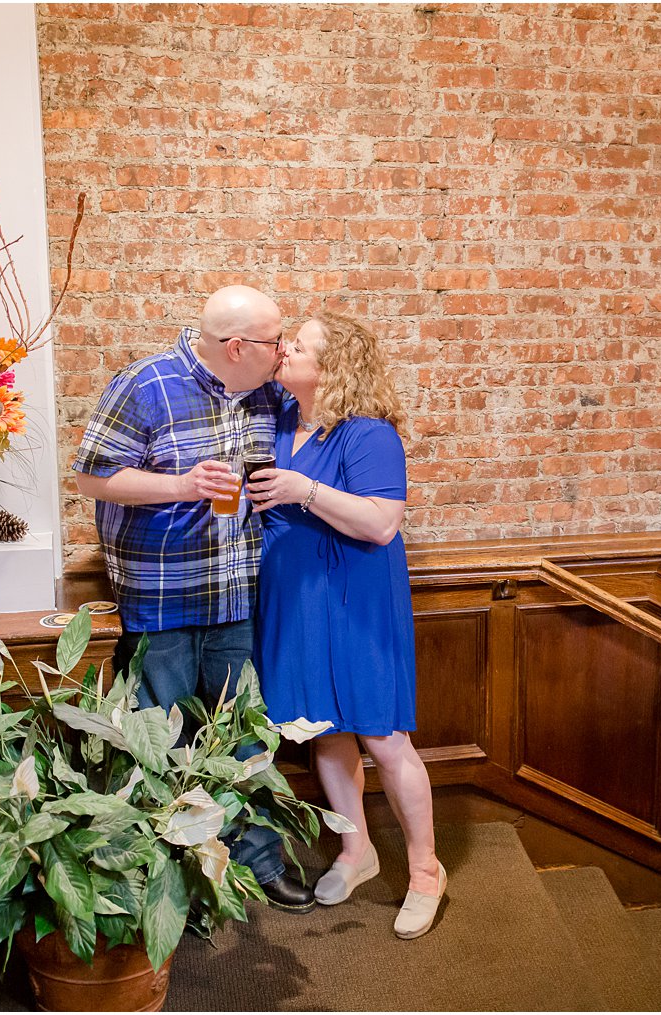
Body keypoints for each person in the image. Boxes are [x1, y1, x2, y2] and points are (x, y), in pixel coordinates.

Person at [70, 284, 316, 913]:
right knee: (165, 739)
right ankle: (170, 877)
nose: (283, 349)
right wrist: (180, 484)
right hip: (161, 596)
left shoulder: (267, 394)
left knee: (246, 738)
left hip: (237, 592)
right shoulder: (146, 384)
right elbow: (92, 475)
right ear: (237, 347)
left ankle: (260, 862)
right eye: (273, 339)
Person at [248, 311, 445, 940]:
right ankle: (357, 852)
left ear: (332, 368)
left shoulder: (368, 434)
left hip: (354, 599)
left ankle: (425, 871)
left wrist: (304, 489)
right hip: (295, 597)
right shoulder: (282, 421)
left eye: (298, 346)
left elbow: (381, 524)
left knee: (384, 737)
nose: (284, 352)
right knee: (322, 730)